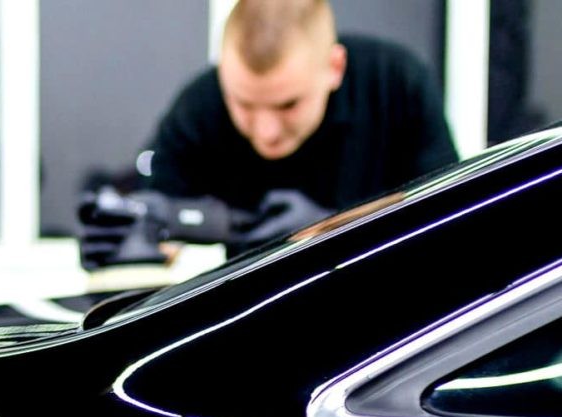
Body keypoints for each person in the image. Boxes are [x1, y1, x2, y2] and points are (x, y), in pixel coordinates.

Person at [84, 0, 460, 266]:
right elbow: (160, 219)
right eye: (244, 104)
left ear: (334, 68)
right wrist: (127, 244)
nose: (266, 133)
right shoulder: (200, 105)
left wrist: (335, 228)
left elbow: (448, 221)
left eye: (288, 105)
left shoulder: (396, 86)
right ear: (224, 73)